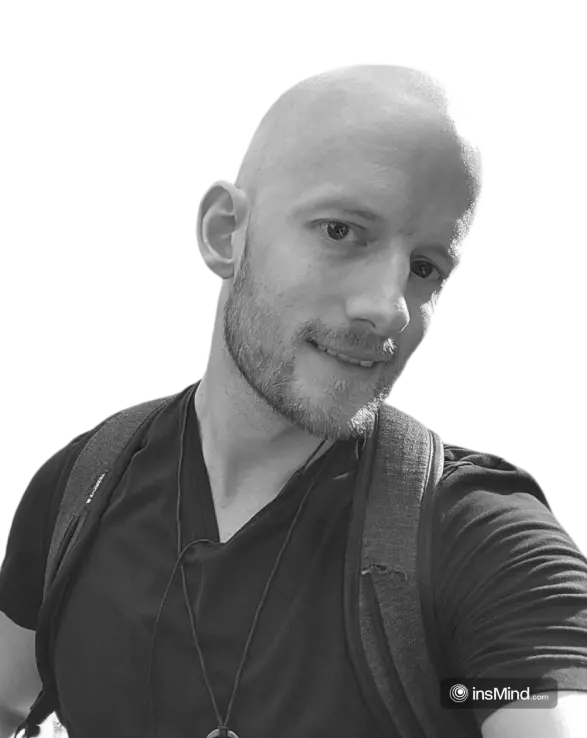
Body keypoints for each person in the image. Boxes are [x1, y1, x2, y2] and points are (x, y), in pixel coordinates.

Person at [1, 63, 585, 737]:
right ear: (224, 232)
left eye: (425, 267)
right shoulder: (78, 490)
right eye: (342, 231)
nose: (389, 308)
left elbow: (546, 705)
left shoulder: (473, 538)